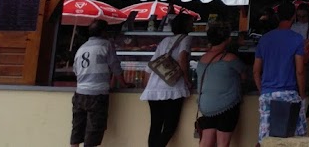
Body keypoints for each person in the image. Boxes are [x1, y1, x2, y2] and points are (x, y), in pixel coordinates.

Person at [70, 18, 129, 147]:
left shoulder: (82, 47)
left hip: (80, 93)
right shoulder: (106, 45)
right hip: (97, 94)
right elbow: (115, 66)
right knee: (93, 132)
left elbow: (75, 70)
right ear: (103, 32)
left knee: (77, 129)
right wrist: (123, 83)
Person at [253, 0, 307, 141]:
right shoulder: (297, 39)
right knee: (292, 138)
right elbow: (300, 71)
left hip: (267, 93)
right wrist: (302, 96)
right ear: (293, 16)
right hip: (289, 94)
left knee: (267, 139)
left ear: (277, 16)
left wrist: (263, 90)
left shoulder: (264, 39)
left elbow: (256, 71)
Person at [141, 13, 195, 147]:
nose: (192, 25)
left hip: (154, 88)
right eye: (191, 23)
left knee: (155, 126)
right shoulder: (186, 39)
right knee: (170, 126)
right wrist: (187, 80)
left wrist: (147, 85)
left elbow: (151, 65)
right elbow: (183, 59)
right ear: (185, 25)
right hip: (172, 88)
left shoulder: (165, 40)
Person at [194, 21, 245, 147]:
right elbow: (244, 76)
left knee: (206, 142)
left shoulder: (202, 58)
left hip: (206, 105)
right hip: (226, 105)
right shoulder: (230, 58)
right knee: (223, 143)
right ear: (227, 40)